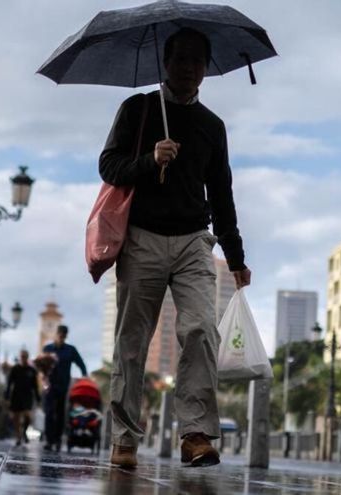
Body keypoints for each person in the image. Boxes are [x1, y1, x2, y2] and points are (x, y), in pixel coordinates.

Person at [99, 27, 252, 469]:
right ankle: (124, 439)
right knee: (132, 341)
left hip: (192, 242)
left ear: (206, 69)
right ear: (166, 63)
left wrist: (237, 258)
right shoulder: (139, 108)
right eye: (180, 59)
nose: (188, 68)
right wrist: (151, 160)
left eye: (196, 61)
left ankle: (196, 434)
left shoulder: (211, 126)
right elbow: (108, 166)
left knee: (202, 330)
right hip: (142, 237)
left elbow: (222, 195)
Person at [42, 324, 87, 451]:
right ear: (56, 334)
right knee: (49, 413)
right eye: (59, 334)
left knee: (60, 413)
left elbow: (80, 363)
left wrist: (84, 375)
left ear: (66, 336)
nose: (61, 336)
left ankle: (57, 439)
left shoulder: (71, 350)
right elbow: (41, 365)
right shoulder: (48, 348)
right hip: (49, 386)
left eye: (63, 335)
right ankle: (49, 441)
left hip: (63, 385)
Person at [4, 349, 40, 446]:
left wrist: (38, 398)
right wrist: (7, 396)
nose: (23, 358)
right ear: (20, 357)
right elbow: (9, 383)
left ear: (27, 357)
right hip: (16, 395)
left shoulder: (32, 370)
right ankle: (18, 436)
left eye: (25, 356)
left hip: (28, 396)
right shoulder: (15, 369)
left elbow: (35, 386)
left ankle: (24, 431)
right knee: (16, 417)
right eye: (22, 356)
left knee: (27, 415)